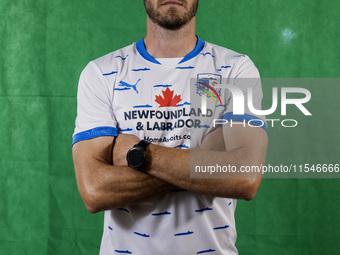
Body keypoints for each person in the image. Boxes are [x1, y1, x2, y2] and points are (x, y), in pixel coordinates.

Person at [72, 0, 268, 254]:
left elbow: (244, 177)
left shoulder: (236, 69)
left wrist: (137, 152)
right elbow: (95, 191)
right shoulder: (101, 73)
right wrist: (203, 162)